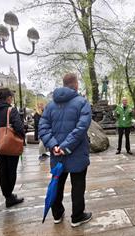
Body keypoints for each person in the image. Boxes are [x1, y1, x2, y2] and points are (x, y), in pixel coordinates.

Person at [39, 73, 92, 227]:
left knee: (57, 183)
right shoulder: (82, 102)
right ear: (76, 84)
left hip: (57, 155)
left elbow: (43, 127)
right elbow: (81, 128)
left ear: (63, 84)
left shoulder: (50, 105)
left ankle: (57, 214)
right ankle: (77, 216)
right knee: (78, 186)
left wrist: (54, 145)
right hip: (77, 153)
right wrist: (65, 147)